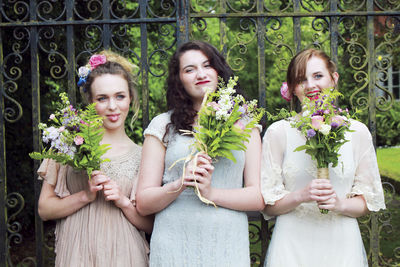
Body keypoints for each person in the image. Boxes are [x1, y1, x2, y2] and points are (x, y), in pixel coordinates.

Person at [136, 40, 265, 266]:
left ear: (219, 71)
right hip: (174, 242)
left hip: (226, 244)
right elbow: (144, 203)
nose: (200, 74)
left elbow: (258, 197)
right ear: (179, 80)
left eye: (207, 65)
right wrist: (179, 184)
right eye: (189, 69)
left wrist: (211, 192)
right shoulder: (163, 125)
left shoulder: (245, 125)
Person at [261, 48, 386, 267]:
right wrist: (301, 195)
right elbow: (268, 206)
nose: (310, 85)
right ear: (292, 88)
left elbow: (368, 201)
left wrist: (339, 204)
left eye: (318, 76)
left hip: (342, 246)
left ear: (333, 78)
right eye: (301, 80)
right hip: (291, 246)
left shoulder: (357, 132)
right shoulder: (278, 132)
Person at [37, 50, 152, 267]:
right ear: (90, 101)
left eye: (120, 96)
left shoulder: (143, 155)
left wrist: (123, 202)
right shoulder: (68, 144)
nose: (112, 107)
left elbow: (151, 225)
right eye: (102, 98)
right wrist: (85, 196)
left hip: (125, 256)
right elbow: (44, 209)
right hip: (76, 254)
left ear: (130, 98)